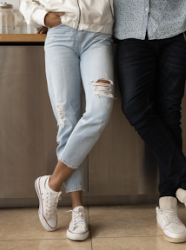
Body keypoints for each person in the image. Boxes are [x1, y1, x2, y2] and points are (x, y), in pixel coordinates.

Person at [114, 0, 186, 243]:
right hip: (130, 32)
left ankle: (168, 207)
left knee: (169, 113)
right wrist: (64, 22)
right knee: (135, 107)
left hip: (175, 31)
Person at [20, 0, 114, 241]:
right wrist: (43, 17)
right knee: (67, 122)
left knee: (100, 109)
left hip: (98, 37)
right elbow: (25, 3)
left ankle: (51, 185)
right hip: (60, 36)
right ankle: (78, 210)